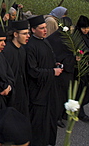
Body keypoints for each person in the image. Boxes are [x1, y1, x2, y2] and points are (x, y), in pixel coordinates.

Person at [25, 15, 62, 146]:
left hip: (49, 89)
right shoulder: (30, 46)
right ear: (33, 30)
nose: (45, 31)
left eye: (46, 28)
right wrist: (52, 71)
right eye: (42, 28)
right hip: (38, 92)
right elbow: (33, 71)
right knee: (38, 125)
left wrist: (54, 64)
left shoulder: (44, 41)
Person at [2, 20, 30, 117]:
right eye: (25, 34)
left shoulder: (22, 50)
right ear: (15, 34)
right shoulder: (7, 51)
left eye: (28, 33)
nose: (28, 36)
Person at [74, 15, 89, 122]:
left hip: (85, 69)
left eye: (87, 28)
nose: (86, 30)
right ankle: (79, 112)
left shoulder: (87, 36)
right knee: (79, 91)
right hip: (78, 70)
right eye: (83, 28)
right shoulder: (77, 37)